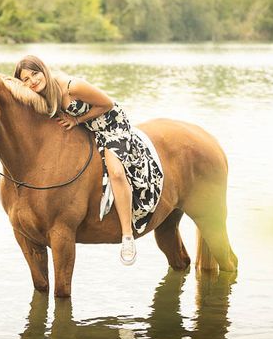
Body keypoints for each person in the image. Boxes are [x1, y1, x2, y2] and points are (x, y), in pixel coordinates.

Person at [14, 55, 164, 266]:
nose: (32, 81)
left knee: (116, 172)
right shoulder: (41, 93)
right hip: (89, 129)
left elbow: (107, 104)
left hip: (112, 125)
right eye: (26, 79)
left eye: (34, 74)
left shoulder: (71, 87)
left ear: (43, 70)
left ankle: (128, 236)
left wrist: (76, 119)